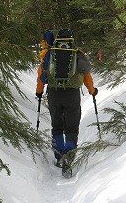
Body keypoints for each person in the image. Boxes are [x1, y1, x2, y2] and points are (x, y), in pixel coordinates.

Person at [35, 29, 98, 167]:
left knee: (56, 126)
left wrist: (39, 92)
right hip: (72, 95)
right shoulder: (77, 54)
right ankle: (68, 157)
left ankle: (59, 156)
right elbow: (86, 75)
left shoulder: (50, 53)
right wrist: (92, 91)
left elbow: (41, 75)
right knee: (71, 128)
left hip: (54, 93)